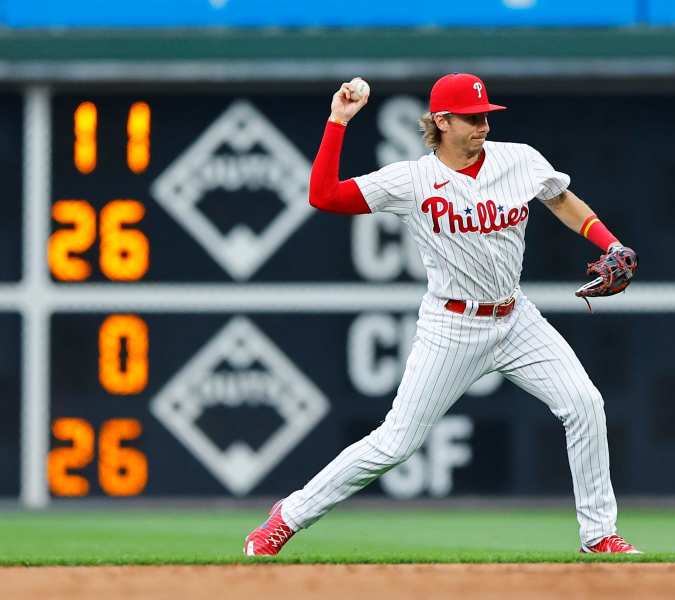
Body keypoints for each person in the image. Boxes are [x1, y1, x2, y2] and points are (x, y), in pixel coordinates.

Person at [243, 73, 640, 556]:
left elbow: (559, 198)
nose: (482, 126)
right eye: (472, 118)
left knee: (584, 404)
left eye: (485, 117)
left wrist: (610, 243)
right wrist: (337, 121)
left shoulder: (519, 159)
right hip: (452, 325)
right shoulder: (411, 180)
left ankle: (599, 536)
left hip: (516, 318)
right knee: (394, 444)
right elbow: (324, 196)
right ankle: (284, 519)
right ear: (441, 121)